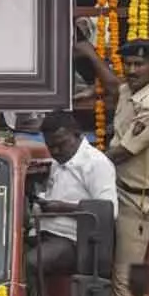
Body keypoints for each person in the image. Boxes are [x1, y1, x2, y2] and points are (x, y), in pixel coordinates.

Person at [74, 39, 149, 296]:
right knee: (101, 269)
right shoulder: (133, 89)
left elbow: (122, 153)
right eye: (128, 64)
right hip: (119, 188)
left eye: (138, 64)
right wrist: (91, 55)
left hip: (137, 200)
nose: (132, 70)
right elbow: (114, 86)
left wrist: (78, 164)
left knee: (124, 281)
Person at [30, 111, 118, 278]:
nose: (56, 151)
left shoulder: (96, 164)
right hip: (43, 232)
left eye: (61, 144)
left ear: (77, 135)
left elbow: (108, 212)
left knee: (30, 263)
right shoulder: (57, 162)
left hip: (73, 240)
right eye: (50, 147)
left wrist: (62, 207)